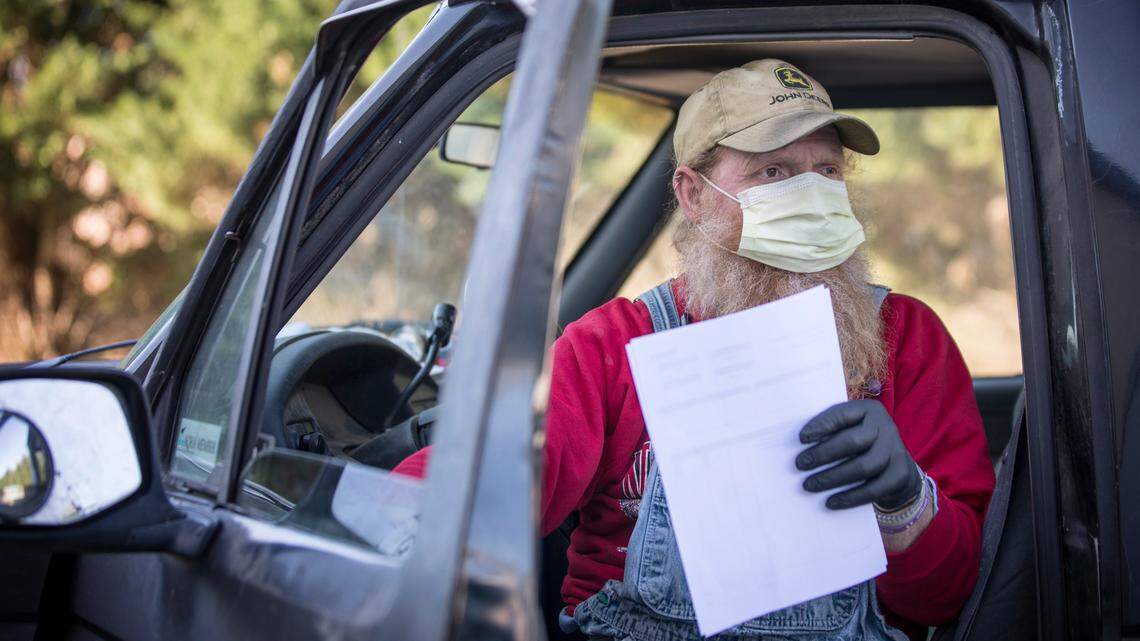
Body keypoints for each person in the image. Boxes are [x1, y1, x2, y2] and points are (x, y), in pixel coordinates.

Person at [395, 59, 995, 641]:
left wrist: (906, 504)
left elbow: (950, 595)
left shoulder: (907, 338)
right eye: (775, 173)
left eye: (827, 171)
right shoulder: (613, 346)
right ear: (692, 193)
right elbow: (488, 476)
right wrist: (375, 518)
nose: (810, 195)